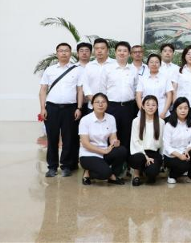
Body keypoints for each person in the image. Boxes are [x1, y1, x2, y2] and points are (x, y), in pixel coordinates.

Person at [39, 43, 84, 177]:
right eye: (61, 51)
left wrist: (79, 108)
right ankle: (52, 167)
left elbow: (80, 90)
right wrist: (43, 108)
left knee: (68, 138)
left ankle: (66, 166)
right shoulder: (50, 70)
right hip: (52, 108)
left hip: (70, 109)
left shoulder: (77, 70)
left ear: (70, 53)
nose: (64, 53)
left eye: (66, 51)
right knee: (52, 138)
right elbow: (43, 90)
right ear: (57, 53)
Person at [79, 92, 127, 185]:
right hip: (88, 154)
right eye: (97, 102)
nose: (100, 104)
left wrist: (114, 142)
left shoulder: (111, 118)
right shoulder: (85, 120)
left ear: (107, 104)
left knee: (121, 150)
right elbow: (85, 143)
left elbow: (113, 137)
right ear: (92, 105)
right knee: (105, 173)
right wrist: (103, 151)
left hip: (104, 152)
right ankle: (88, 173)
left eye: (103, 102)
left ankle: (111, 174)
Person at [102, 41, 138, 157]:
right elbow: (102, 88)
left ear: (129, 54)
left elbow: (136, 88)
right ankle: (111, 159)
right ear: (115, 52)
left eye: (125, 51)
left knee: (127, 133)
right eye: (119, 50)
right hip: (111, 107)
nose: (122, 53)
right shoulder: (107, 69)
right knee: (111, 133)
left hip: (128, 107)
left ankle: (125, 161)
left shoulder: (133, 70)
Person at [162, 97, 191, 184]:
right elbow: (167, 146)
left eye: (185, 108)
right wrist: (180, 156)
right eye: (180, 108)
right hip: (172, 155)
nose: (183, 111)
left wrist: (187, 150)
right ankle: (172, 175)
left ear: (188, 109)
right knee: (184, 165)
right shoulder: (169, 124)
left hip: (185, 151)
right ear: (175, 110)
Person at [129, 95, 164, 186]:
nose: (150, 107)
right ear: (143, 106)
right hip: (139, 152)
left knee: (152, 173)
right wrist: (145, 157)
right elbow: (135, 141)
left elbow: (162, 142)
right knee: (138, 158)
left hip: (154, 153)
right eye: (148, 105)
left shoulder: (161, 122)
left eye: (153, 105)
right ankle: (136, 174)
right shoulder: (136, 121)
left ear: (157, 107)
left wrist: (162, 158)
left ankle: (147, 171)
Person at [70, 41, 92, 170]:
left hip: (91, 105)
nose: (84, 53)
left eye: (87, 51)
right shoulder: (72, 68)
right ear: (77, 53)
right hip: (75, 106)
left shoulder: (94, 67)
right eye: (81, 51)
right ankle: (73, 162)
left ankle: (89, 159)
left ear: (91, 53)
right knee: (73, 133)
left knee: (90, 133)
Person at [135, 54, 173, 119]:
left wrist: (164, 112)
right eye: (151, 62)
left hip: (162, 112)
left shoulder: (165, 78)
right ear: (147, 64)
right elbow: (138, 96)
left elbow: (169, 96)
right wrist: (143, 111)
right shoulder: (142, 78)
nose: (154, 64)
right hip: (145, 112)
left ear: (160, 64)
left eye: (157, 62)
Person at [83, 38, 115, 112]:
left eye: (102, 48)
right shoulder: (89, 66)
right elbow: (85, 85)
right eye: (97, 48)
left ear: (107, 50)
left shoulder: (115, 64)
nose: (99, 51)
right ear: (94, 51)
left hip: (111, 105)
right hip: (92, 105)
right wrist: (93, 100)